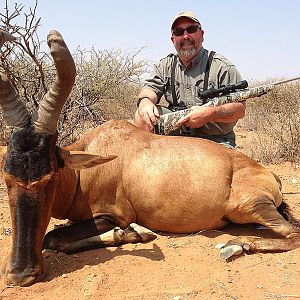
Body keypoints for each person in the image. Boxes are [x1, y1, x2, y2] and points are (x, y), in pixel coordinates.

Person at [134, 11, 245, 148]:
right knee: (142, 116)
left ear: (202, 34)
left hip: (214, 140)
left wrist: (210, 114)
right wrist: (145, 102)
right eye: (179, 32)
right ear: (173, 39)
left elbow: (240, 109)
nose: (185, 36)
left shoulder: (222, 66)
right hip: (177, 135)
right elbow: (149, 90)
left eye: (191, 29)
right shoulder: (165, 65)